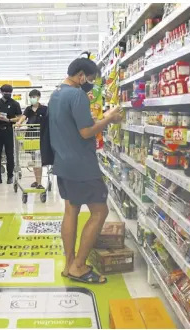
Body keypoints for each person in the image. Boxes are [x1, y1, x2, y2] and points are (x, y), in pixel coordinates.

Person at [48, 56, 123, 285]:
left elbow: (71, 126)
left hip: (62, 162)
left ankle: (69, 263)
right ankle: (79, 267)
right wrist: (109, 118)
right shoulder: (76, 94)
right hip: (82, 165)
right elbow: (86, 132)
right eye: (89, 79)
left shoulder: (56, 94)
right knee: (100, 211)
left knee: (71, 211)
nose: (89, 83)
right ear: (80, 75)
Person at [17, 89, 48, 189]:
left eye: (34, 97)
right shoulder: (28, 109)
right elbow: (23, 117)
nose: (32, 99)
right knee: (34, 160)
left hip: (41, 137)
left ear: (38, 97)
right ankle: (37, 180)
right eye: (31, 97)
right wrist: (19, 123)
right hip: (31, 137)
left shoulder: (44, 109)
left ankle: (39, 182)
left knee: (38, 159)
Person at [0, 84, 22, 184]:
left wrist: (9, 120)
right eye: (5, 92)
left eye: (9, 92)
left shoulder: (15, 103)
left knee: (10, 154)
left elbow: (19, 117)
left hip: (9, 130)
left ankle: (10, 175)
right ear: (1, 92)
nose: (8, 94)